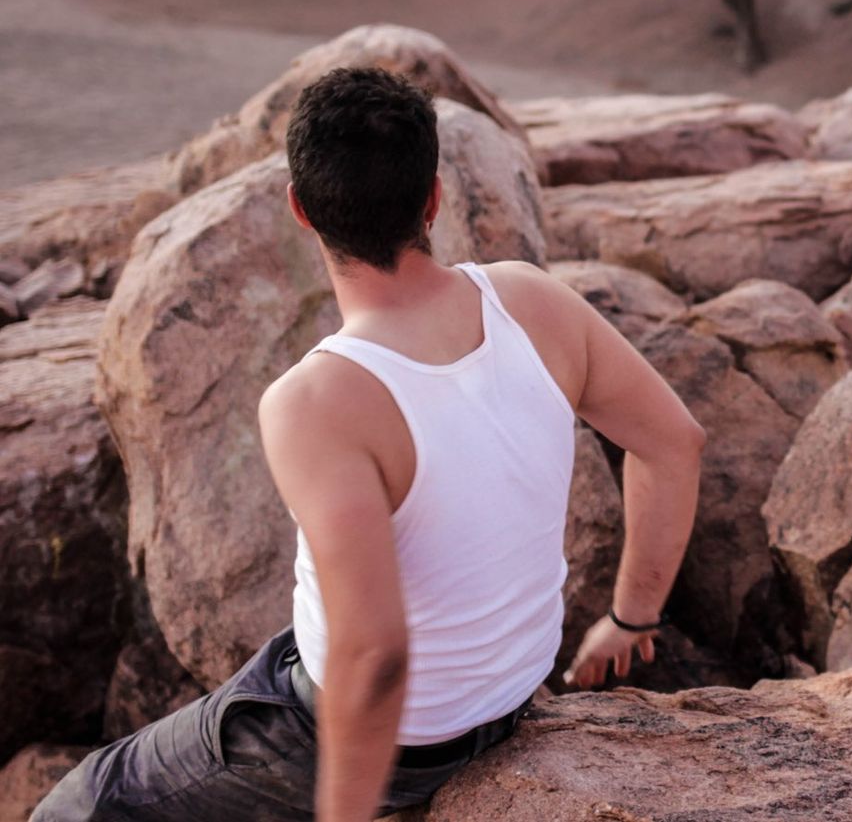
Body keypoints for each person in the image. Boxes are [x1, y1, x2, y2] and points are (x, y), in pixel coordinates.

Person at [34, 67, 705, 822]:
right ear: (434, 196)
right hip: (513, 688)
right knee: (276, 655)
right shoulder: (533, 301)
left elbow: (374, 653)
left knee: (78, 804)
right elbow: (675, 442)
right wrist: (632, 617)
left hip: (405, 740)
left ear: (300, 208)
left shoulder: (316, 403)